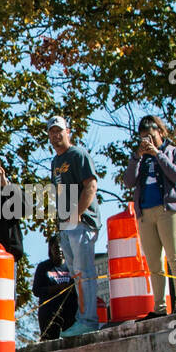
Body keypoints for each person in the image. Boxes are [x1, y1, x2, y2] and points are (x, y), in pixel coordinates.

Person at [121, 114, 176, 317]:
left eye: (150, 135)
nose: (147, 141)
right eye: (143, 137)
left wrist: (158, 154)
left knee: (175, 257)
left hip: (170, 210)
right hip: (145, 213)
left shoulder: (175, 151)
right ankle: (160, 308)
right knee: (154, 263)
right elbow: (128, 181)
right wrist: (136, 157)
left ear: (160, 132)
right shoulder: (140, 160)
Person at [48, 116, 101, 337]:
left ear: (68, 131)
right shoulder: (55, 162)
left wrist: (78, 215)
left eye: (59, 130)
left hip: (82, 222)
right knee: (75, 273)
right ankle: (82, 319)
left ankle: (89, 320)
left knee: (84, 270)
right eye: (52, 131)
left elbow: (91, 185)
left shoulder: (78, 155)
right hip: (66, 224)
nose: (56, 135)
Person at [33, 235, 78, 340]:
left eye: (62, 247)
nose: (60, 250)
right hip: (49, 313)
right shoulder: (43, 267)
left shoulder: (73, 266)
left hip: (70, 311)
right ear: (50, 249)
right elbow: (36, 290)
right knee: (49, 342)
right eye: (56, 247)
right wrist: (57, 288)